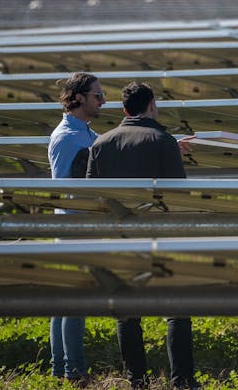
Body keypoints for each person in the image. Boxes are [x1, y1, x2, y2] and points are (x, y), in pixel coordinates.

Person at [87, 81, 197, 390]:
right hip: (160, 233)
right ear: (151, 106)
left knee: (127, 312)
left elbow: (91, 196)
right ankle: (182, 381)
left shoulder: (101, 144)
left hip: (120, 235)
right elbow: (180, 194)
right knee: (176, 310)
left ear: (124, 109)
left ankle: (137, 380)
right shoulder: (163, 140)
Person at [47, 72, 106, 386]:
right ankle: (74, 372)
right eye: (98, 95)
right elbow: (71, 186)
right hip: (76, 222)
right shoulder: (69, 136)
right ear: (79, 97)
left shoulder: (82, 131)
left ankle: (61, 368)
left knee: (67, 300)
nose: (103, 100)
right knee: (77, 300)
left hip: (75, 221)